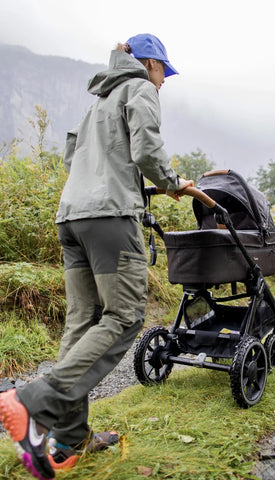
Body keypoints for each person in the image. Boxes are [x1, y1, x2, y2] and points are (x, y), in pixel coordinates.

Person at [0, 33, 193, 480]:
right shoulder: (139, 88)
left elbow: (77, 161)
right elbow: (146, 150)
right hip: (109, 217)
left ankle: (68, 441)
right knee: (125, 316)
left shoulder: (96, 103)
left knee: (82, 323)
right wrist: (172, 182)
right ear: (150, 64)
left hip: (71, 218)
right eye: (164, 71)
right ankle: (30, 404)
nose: (164, 82)